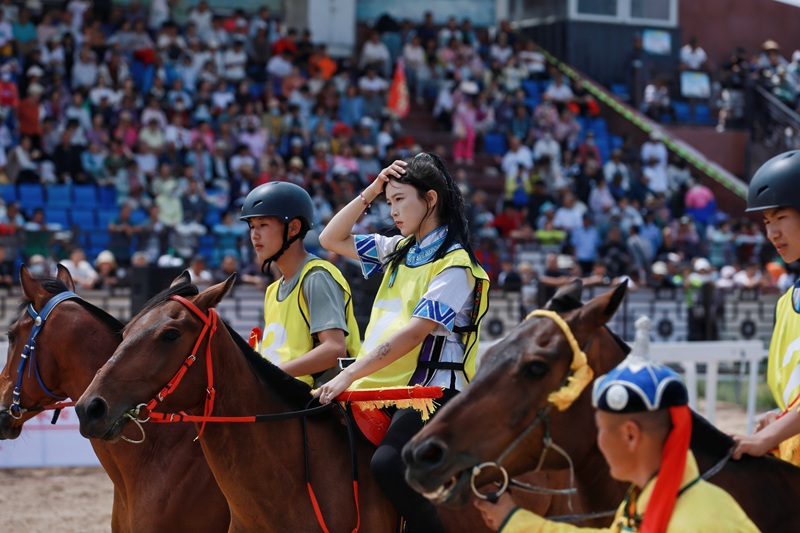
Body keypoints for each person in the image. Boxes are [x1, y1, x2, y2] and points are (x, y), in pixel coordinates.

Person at [315, 152, 490, 533]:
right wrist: (372, 189)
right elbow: (330, 238)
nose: (391, 210)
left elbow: (414, 334)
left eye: (399, 200)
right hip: (383, 383)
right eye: (388, 201)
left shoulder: (456, 265)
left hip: (433, 389)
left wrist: (348, 375)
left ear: (430, 199)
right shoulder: (397, 249)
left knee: (389, 464)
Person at [475, 333, 760, 533]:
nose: (598, 442)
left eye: (600, 430)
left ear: (631, 436)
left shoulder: (694, 522)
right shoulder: (654, 498)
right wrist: (513, 520)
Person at [239, 182, 361, 387]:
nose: (254, 235)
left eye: (263, 225)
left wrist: (270, 374)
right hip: (284, 396)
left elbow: (334, 349)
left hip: (315, 400)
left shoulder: (316, 277)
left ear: (293, 228)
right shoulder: (272, 290)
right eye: (251, 226)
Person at [733, 151, 800, 465]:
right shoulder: (786, 303)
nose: (772, 233)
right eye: (767, 222)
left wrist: (766, 437)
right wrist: (780, 418)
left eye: (780, 218)